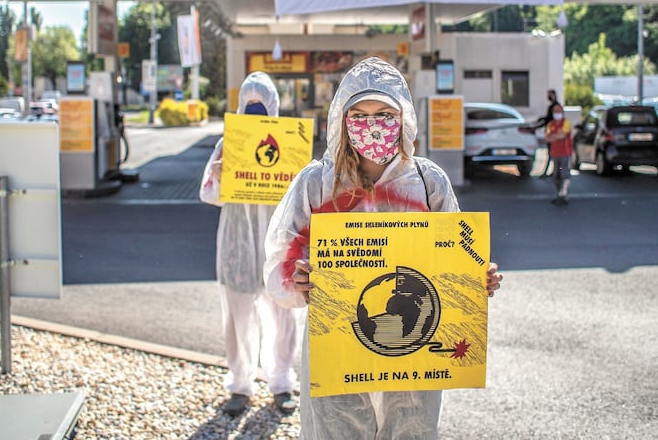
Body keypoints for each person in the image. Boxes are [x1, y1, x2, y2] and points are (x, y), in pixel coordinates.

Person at [263, 56, 503, 438]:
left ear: (403, 118)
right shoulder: (317, 184)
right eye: (360, 113)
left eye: (384, 114)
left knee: (411, 427)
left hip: (413, 346)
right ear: (342, 119)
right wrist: (298, 280)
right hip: (337, 343)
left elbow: (456, 254)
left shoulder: (428, 182)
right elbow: (280, 260)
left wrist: (477, 279)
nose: (372, 125)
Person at [199, 71, 299, 416]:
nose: (255, 111)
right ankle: (240, 385)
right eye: (250, 105)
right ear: (240, 105)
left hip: (278, 246)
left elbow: (301, 196)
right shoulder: (228, 142)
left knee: (282, 316)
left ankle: (281, 381)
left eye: (261, 104)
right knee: (238, 317)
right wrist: (221, 172)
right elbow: (208, 193)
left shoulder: (288, 143)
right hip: (238, 246)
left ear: (273, 106)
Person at [544, 103, 573, 205]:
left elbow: (563, 136)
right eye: (555, 111)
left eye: (559, 111)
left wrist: (554, 136)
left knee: (564, 174)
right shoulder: (550, 124)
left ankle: (563, 194)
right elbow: (547, 137)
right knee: (556, 175)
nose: (557, 113)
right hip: (555, 153)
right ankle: (559, 193)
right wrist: (557, 135)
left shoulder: (566, 122)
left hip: (565, 153)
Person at [535, 89, 560, 177]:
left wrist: (542, 121)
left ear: (553, 95)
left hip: (553, 133)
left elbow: (552, 120)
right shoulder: (552, 106)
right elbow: (548, 119)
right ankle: (553, 171)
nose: (548, 97)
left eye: (549, 95)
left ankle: (553, 171)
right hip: (550, 132)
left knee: (552, 153)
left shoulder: (556, 106)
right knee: (551, 153)